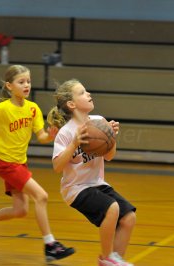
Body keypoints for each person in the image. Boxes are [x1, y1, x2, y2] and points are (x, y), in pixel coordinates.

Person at [0, 65, 75, 262]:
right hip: (7, 164)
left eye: (28, 81)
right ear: (9, 86)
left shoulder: (32, 109)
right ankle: (50, 245)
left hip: (20, 164)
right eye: (21, 82)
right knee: (41, 196)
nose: (26, 85)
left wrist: (52, 135)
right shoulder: (2, 109)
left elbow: (41, 136)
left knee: (20, 210)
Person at [47, 79, 136, 266]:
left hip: (97, 183)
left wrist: (111, 137)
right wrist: (74, 144)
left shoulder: (99, 122)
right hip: (75, 188)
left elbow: (110, 156)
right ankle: (107, 258)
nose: (88, 94)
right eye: (82, 92)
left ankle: (116, 260)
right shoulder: (66, 132)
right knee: (112, 208)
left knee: (128, 217)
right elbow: (57, 167)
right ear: (71, 104)